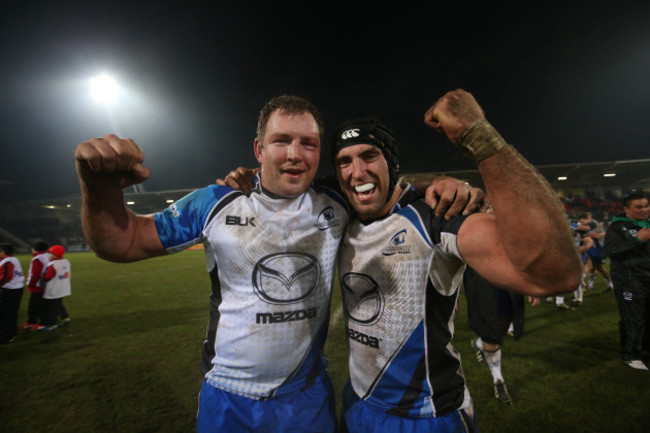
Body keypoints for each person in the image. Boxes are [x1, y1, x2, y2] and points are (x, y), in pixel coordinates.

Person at [74, 95, 481, 433]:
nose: (294, 154)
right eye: (281, 141)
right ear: (259, 149)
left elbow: (384, 187)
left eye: (308, 143)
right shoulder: (217, 201)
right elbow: (122, 241)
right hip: (228, 398)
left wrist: (441, 182)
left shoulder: (336, 203)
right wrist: (97, 187)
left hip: (305, 397)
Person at [332, 89, 582, 432]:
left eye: (369, 156)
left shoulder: (436, 218)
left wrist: (479, 136)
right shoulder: (341, 215)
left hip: (426, 416)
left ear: (392, 161)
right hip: (358, 402)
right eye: (344, 162)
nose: (356, 172)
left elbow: (556, 274)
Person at [464, 266, 538, 404]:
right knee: (492, 335)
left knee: (501, 328)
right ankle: (498, 381)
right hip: (481, 275)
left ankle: (479, 343)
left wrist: (530, 280)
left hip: (507, 273)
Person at [603, 193, 650, 371]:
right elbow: (612, 251)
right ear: (626, 209)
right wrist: (638, 240)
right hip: (630, 280)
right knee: (634, 318)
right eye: (639, 207)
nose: (644, 209)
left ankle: (646, 348)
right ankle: (631, 354)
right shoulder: (617, 227)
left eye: (646, 205)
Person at [577, 212, 614, 292]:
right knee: (590, 266)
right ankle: (589, 284)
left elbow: (595, 235)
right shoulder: (588, 224)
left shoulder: (592, 223)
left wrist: (576, 227)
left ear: (587, 219)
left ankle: (610, 284)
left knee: (600, 268)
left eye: (582, 221)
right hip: (590, 247)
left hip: (598, 248)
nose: (581, 223)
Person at [19, 240, 49, 331]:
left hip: (37, 285)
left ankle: (43, 323)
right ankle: (31, 321)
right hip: (44, 284)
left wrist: (31, 284)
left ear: (35, 249)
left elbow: (35, 274)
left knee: (37, 305)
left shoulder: (37, 258)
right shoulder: (47, 256)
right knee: (34, 304)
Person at [41, 245, 71, 330]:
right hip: (63, 287)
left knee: (51, 307)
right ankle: (65, 317)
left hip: (54, 288)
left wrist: (42, 276)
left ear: (54, 254)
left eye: (50, 253)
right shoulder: (66, 261)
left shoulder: (53, 264)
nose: (48, 254)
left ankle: (52, 324)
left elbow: (48, 277)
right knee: (58, 304)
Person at [0, 242, 25, 344]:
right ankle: (12, 331)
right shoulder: (13, 259)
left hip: (10, 290)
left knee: (6, 313)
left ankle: (8, 335)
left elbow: (6, 277)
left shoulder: (7, 261)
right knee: (11, 312)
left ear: (3, 252)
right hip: (16, 288)